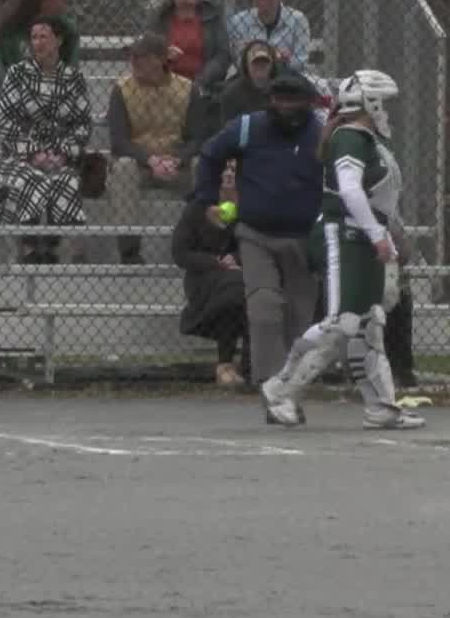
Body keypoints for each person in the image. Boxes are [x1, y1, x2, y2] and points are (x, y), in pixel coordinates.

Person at [261, 70, 425, 431]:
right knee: (341, 323)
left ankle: (381, 406)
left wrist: (382, 235)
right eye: (384, 103)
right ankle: (281, 391)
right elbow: (350, 191)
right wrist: (377, 235)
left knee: (369, 322)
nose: (388, 111)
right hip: (344, 233)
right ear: (371, 102)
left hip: (362, 236)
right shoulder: (350, 136)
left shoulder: (364, 138)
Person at [194, 72, 324, 389]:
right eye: (279, 99)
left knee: (299, 316)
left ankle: (295, 382)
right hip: (256, 235)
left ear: (307, 103)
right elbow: (210, 155)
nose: (286, 107)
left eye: (294, 100)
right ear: (270, 101)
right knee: (264, 308)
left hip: (304, 236)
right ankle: (270, 383)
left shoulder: (322, 133)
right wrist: (207, 201)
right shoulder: (248, 127)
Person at [0, 18, 91, 264]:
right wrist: (32, 153)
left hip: (59, 152)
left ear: (59, 41)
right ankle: (31, 247)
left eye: (44, 36)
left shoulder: (73, 78)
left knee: (65, 178)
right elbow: (5, 120)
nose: (38, 42)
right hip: (20, 152)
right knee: (26, 177)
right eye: (34, 37)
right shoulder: (17, 73)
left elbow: (83, 124)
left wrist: (63, 153)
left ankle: (54, 247)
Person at [105, 34, 194, 264]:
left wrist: (178, 159)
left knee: (203, 164)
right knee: (123, 168)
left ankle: (200, 243)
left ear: (160, 60)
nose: (133, 62)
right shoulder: (122, 90)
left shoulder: (187, 89)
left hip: (176, 166)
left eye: (141, 57)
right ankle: (129, 251)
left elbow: (199, 137)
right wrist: (150, 160)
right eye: (131, 56)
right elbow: (119, 141)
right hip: (140, 165)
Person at [173, 161, 249, 386]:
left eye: (234, 170)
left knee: (245, 289)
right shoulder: (198, 207)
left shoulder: (251, 207)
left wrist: (236, 258)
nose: (227, 174)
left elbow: (256, 242)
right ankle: (225, 364)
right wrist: (215, 261)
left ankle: (248, 365)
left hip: (243, 273)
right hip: (204, 277)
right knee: (234, 290)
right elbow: (180, 253)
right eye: (223, 169)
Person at [150, 0, 232, 101]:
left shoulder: (213, 16)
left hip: (203, 87)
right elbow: (148, 53)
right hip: (165, 84)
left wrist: (200, 81)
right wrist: (165, 57)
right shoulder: (159, 18)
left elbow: (222, 56)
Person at [226, 0, 313, 74]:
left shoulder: (297, 19)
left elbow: (301, 61)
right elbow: (238, 61)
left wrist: (262, 58)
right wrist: (277, 57)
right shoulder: (239, 21)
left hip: (286, 76)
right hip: (251, 77)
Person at [0, 0, 78, 75]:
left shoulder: (67, 30)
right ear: (42, 1)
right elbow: (4, 74)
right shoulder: (11, 32)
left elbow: (71, 71)